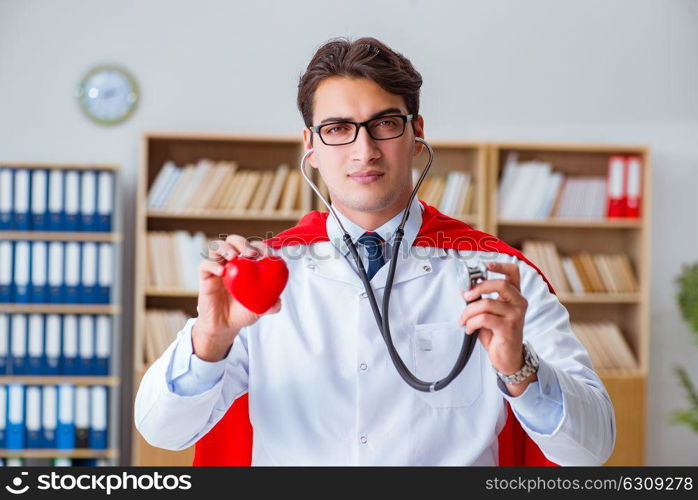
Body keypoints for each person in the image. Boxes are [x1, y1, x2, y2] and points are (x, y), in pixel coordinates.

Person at [134, 36, 615, 466]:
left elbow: (590, 450)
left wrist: (519, 369)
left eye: (384, 123)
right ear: (311, 144)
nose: (364, 151)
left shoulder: (502, 276)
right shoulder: (261, 279)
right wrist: (209, 340)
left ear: (415, 131)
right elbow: (163, 430)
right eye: (338, 129)